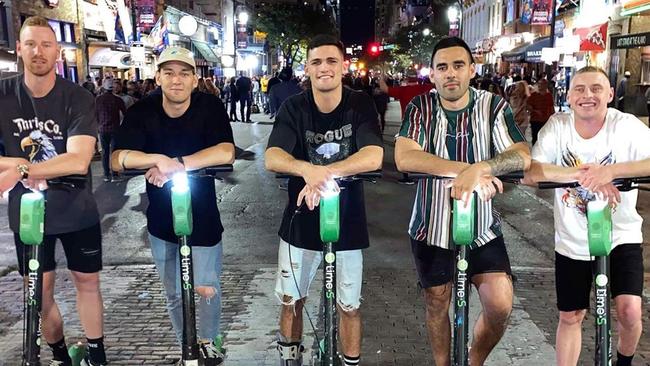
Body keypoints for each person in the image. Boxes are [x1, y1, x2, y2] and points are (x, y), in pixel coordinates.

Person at [394, 36, 531, 366]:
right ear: (433, 74)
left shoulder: (492, 106)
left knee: (499, 303)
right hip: (432, 225)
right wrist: (466, 172)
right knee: (437, 301)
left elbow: (521, 154)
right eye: (442, 67)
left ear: (471, 69)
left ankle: (474, 359)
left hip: (482, 225)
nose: (450, 73)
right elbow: (405, 157)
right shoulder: (421, 107)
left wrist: (484, 168)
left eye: (458, 65)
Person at [111, 46, 234, 366]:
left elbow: (225, 152)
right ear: (158, 77)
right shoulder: (143, 110)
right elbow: (118, 158)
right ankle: (186, 347)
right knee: (175, 293)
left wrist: (179, 164)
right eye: (169, 72)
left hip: (204, 216)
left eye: (184, 73)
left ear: (195, 79)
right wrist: (157, 160)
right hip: (161, 220)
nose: (176, 80)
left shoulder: (210, 106)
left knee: (206, 287)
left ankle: (208, 341)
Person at [265, 34, 383, 366]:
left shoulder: (359, 104)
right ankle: (290, 358)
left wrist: (323, 174)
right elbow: (273, 156)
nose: (324, 68)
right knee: (291, 300)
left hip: (347, 221)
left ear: (343, 66)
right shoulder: (294, 107)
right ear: (307, 68)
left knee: (349, 305)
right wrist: (306, 169)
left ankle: (350, 361)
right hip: (299, 220)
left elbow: (373, 155)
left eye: (331, 61)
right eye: (316, 61)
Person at [523, 66, 650, 366]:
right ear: (568, 95)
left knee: (629, 310)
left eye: (595, 88)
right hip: (572, 240)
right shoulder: (559, 125)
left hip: (620, 236)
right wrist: (582, 175)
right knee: (571, 315)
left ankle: (624, 361)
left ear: (609, 94)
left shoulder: (626, 126)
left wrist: (611, 171)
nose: (587, 95)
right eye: (579, 89)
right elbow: (532, 171)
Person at [0, 16, 107, 366]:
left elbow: (78, 160)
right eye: (30, 44)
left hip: (77, 210)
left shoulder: (77, 97)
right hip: (28, 213)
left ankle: (97, 354)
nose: (38, 52)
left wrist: (18, 167)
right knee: (39, 294)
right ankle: (60, 355)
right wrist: (28, 167)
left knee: (87, 283)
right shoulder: (4, 94)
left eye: (46, 44)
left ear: (57, 52)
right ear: (19, 49)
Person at [379, 75, 434, 184]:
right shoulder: (427, 88)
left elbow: (384, 89)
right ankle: (422, 174)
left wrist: (381, 78)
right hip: (426, 122)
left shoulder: (403, 90)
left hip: (408, 122)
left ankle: (408, 177)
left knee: (405, 151)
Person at [95, 78, 126, 181]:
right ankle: (115, 174)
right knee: (114, 152)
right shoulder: (117, 100)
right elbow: (125, 113)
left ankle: (106, 175)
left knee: (104, 152)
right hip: (115, 129)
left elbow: (94, 114)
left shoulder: (98, 100)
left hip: (102, 129)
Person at [527, 78, 555, 145]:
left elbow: (551, 108)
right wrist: (535, 111)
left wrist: (553, 118)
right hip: (535, 120)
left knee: (544, 138)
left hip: (545, 120)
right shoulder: (534, 95)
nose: (539, 85)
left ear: (545, 85)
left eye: (541, 84)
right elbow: (528, 106)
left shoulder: (549, 96)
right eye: (538, 84)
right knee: (535, 138)